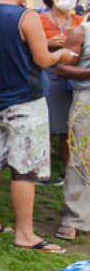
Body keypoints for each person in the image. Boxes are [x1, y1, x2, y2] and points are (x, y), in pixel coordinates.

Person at [0, 0, 76, 253]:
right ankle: (25, 233)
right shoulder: (26, 16)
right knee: (24, 170)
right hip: (23, 102)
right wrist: (62, 55)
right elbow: (43, 60)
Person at [39, 0, 84, 184]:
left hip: (72, 76)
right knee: (44, 123)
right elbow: (29, 46)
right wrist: (48, 43)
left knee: (67, 124)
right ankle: (41, 169)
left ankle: (66, 169)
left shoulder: (79, 22)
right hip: (47, 74)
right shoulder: (39, 19)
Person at [55, 14, 90, 240]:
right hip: (86, 98)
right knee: (81, 157)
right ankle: (74, 218)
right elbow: (61, 68)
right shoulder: (82, 31)